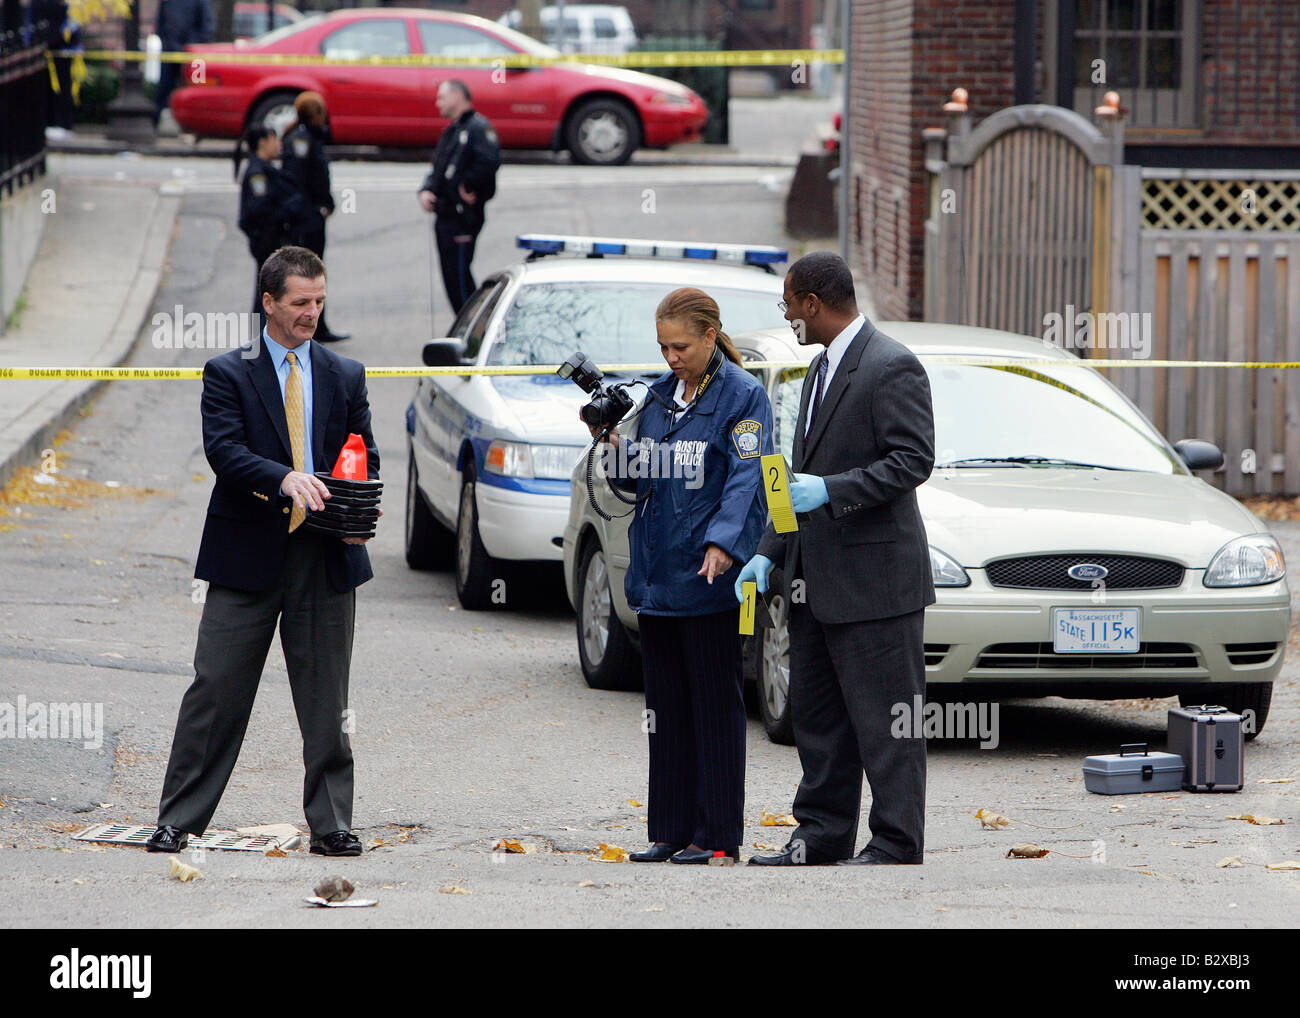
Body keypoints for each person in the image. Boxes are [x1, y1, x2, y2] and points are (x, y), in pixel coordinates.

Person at [145, 246, 380, 858]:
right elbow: (223, 450)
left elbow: (364, 455)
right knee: (216, 690)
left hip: (325, 557)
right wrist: (282, 477)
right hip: (245, 554)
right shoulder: (228, 372)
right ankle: (179, 818)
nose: (312, 313)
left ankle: (331, 825)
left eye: (320, 301)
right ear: (269, 302)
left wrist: (359, 511)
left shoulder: (344, 374)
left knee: (328, 702)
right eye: (301, 302)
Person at [738, 252, 935, 867]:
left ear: (813, 303)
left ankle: (897, 842)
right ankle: (820, 836)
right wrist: (768, 553)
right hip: (812, 583)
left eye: (789, 303)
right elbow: (800, 481)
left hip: (877, 586)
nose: (788, 315)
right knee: (819, 722)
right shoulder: (820, 368)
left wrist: (833, 490)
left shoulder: (890, 365)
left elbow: (913, 461)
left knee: (887, 723)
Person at [589, 287, 773, 864]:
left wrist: (724, 543)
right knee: (664, 709)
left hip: (707, 574)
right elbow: (641, 478)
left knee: (713, 709)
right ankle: (669, 830)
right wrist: (614, 445)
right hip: (658, 571)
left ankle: (716, 838)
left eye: (682, 347)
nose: (671, 358)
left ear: (712, 336)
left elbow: (747, 478)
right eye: (664, 347)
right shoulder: (662, 396)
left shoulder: (743, 397)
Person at [418, 79, 500, 315]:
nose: (437, 103)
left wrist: (468, 184)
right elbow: (439, 168)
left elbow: (489, 162)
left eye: (441, 97)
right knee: (452, 278)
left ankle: (473, 331)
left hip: (463, 217)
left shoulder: (478, 128)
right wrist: (426, 190)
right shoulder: (453, 131)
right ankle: (464, 328)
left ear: (457, 96)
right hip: (444, 214)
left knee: (460, 277)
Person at [281, 91, 349, 342]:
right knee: (308, 274)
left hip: (310, 215)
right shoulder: (302, 141)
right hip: (306, 219)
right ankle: (309, 326)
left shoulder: (307, 137)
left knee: (312, 272)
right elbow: (303, 180)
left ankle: (317, 325)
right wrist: (319, 206)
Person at [234, 124, 312, 316]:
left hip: (272, 237)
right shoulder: (257, 173)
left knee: (271, 291)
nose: (278, 144)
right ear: (262, 142)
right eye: (273, 139)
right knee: (267, 293)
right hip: (266, 238)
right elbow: (258, 210)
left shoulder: (267, 169)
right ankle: (260, 337)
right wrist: (286, 212)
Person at [153, 0, 214, 128]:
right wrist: (168, 44)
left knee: (195, 93)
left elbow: (207, 27)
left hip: (194, 57)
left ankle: (195, 128)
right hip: (170, 52)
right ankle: (154, 124)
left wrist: (190, 45)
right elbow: (160, 24)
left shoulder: (201, 2)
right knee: (163, 90)